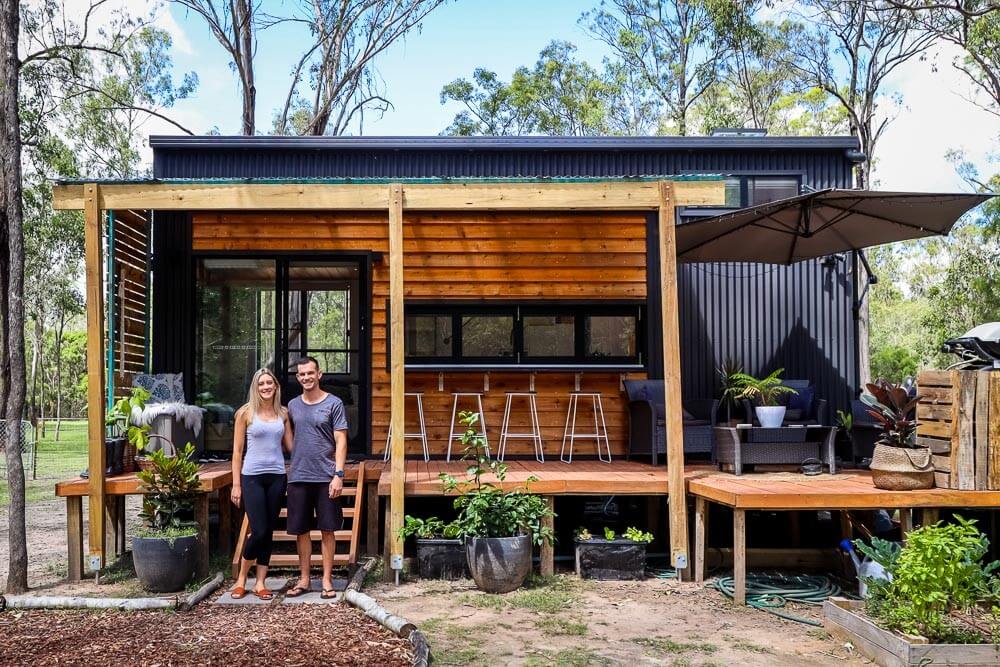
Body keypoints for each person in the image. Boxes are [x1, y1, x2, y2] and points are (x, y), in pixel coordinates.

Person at [284, 356, 349, 599]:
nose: (306, 378)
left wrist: (338, 474)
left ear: (319, 374)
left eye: (310, 373)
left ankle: (327, 580)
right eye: (301, 374)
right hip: (299, 475)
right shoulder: (291, 405)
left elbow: (341, 440)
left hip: (326, 476)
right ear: (298, 377)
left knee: (327, 529)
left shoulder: (334, 403)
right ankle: (304, 580)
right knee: (301, 530)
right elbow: (288, 436)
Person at [229, 368, 293, 600]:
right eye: (261, 384)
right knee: (260, 530)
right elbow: (236, 453)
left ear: (276, 386)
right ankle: (241, 579)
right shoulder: (245, 413)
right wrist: (236, 485)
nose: (265, 387)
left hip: (277, 476)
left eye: (269, 383)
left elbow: (291, 447)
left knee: (268, 532)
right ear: (255, 388)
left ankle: (261, 583)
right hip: (252, 477)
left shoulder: (283, 414)